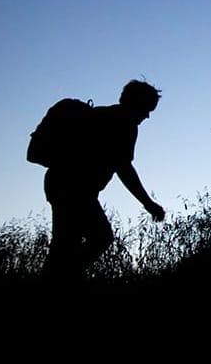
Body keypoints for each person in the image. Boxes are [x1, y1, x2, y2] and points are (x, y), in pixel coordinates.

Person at [42, 80, 166, 280]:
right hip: (74, 189)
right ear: (137, 104)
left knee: (65, 244)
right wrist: (149, 203)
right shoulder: (124, 124)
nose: (147, 115)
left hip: (60, 182)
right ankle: (62, 276)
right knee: (98, 238)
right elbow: (124, 168)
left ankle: (60, 276)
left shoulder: (101, 114)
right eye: (147, 109)